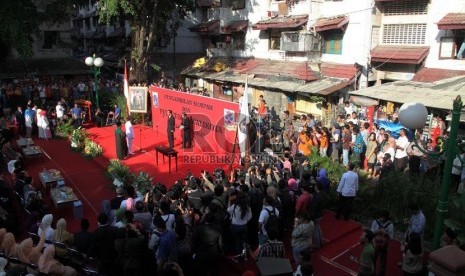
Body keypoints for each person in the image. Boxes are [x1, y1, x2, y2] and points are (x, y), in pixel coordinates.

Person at [371, 210, 394, 276]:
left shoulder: (390, 225)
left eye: (383, 217)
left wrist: (385, 233)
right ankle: (372, 273)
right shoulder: (375, 222)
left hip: (384, 246)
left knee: (383, 263)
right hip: (375, 244)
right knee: (373, 260)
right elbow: (371, 233)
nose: (382, 219)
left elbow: (391, 237)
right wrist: (378, 231)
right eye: (381, 217)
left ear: (386, 217)